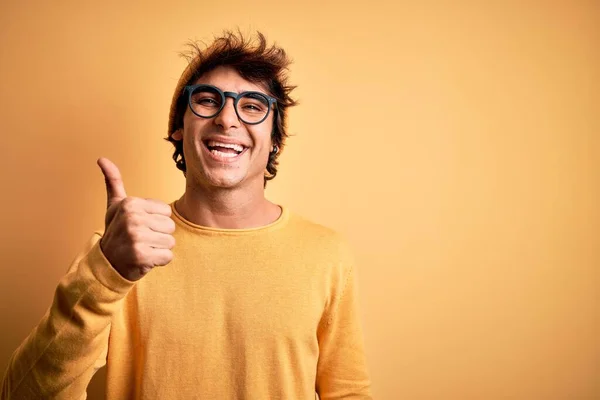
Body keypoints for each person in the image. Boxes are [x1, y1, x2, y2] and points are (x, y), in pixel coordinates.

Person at [1, 30, 372, 399]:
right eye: (208, 100)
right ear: (179, 129)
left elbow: (347, 392)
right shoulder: (121, 251)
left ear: (275, 139)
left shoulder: (326, 252)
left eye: (253, 105)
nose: (227, 119)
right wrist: (106, 273)